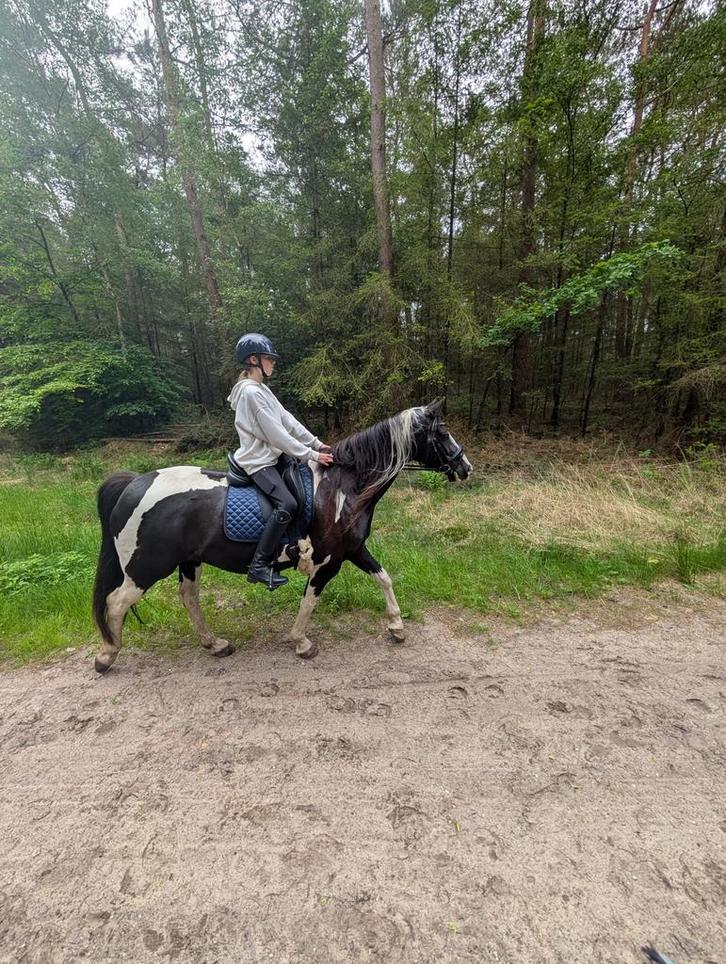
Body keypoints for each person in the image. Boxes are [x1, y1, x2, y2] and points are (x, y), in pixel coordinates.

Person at [228, 333, 334, 590]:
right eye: (269, 359)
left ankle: (293, 545)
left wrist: (316, 442)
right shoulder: (250, 394)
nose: (273, 363)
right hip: (258, 462)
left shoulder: (262, 390)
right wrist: (311, 455)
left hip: (273, 457)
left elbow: (287, 420)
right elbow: (276, 434)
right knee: (286, 503)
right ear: (253, 360)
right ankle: (259, 566)